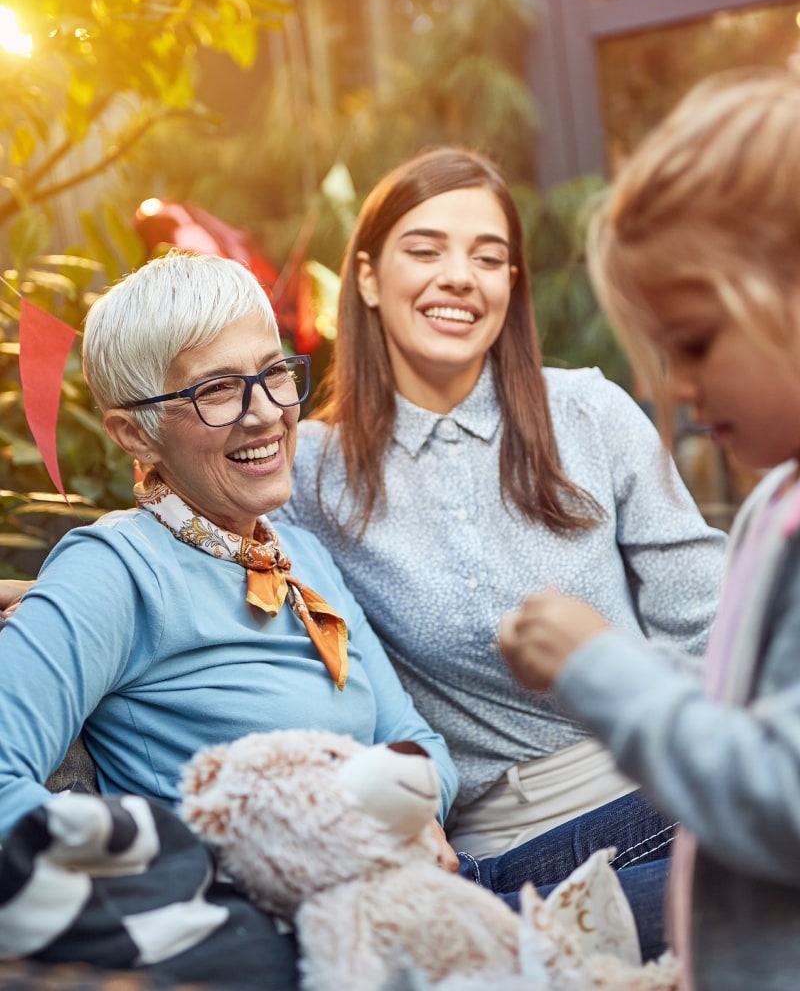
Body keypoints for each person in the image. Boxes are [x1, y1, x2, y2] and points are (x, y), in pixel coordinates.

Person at [0, 250, 670, 971]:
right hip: (337, 944)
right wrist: (207, 877)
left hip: (443, 886)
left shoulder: (299, 557)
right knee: (750, 878)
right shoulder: (113, 571)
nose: (266, 414)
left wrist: (404, 807)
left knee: (743, 807)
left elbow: (418, 739)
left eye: (273, 373)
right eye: (218, 391)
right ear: (135, 433)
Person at [275, 145, 727, 858]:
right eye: (425, 251)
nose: (459, 277)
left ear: (511, 285)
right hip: (507, 843)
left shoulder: (588, 412)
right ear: (366, 277)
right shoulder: (309, 471)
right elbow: (202, 554)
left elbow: (711, 622)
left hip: (666, 784)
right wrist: (49, 589)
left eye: (489, 259)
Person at [498, 66, 800, 990]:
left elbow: (782, 797)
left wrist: (605, 670)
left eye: (698, 341)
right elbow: (745, 718)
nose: (674, 385)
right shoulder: (773, 503)